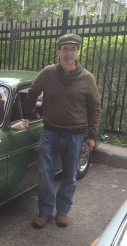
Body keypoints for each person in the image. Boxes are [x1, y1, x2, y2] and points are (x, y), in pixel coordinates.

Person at [26, 33, 101, 228]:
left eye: (72, 49)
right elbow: (32, 92)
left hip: (75, 136)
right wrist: (30, 113)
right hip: (50, 132)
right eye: (65, 49)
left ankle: (63, 212)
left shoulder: (87, 78)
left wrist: (92, 135)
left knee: (70, 176)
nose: (68, 53)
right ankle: (45, 212)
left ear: (77, 52)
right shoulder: (48, 73)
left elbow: (94, 107)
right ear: (58, 51)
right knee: (44, 174)